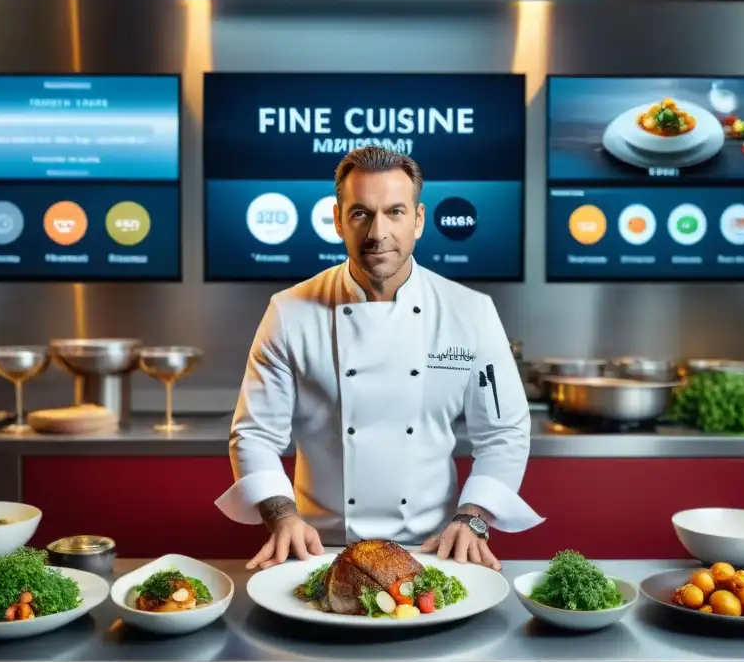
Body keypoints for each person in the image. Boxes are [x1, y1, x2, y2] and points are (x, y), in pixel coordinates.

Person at [215, 146, 543, 571]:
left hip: (432, 552)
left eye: (394, 212)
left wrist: (473, 520)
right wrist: (282, 516)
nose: (377, 232)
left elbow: (504, 432)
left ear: (419, 220)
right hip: (318, 550)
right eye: (360, 214)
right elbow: (255, 434)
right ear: (337, 220)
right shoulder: (289, 312)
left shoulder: (471, 313)